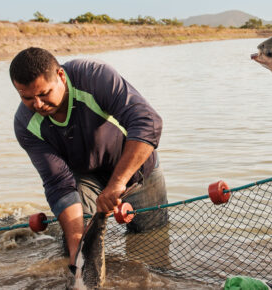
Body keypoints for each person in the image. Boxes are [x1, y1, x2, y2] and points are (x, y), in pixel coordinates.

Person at [10, 47, 168, 272]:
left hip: (138, 170)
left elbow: (147, 122)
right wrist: (76, 254)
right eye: (27, 98)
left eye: (44, 93)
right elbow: (58, 184)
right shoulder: (25, 124)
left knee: (152, 244)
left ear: (61, 77)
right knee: (76, 247)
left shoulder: (95, 77)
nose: (37, 104)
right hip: (85, 179)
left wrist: (117, 184)